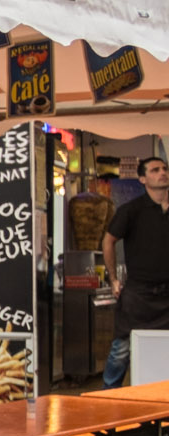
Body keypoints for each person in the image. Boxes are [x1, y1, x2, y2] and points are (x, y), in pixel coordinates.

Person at [101, 156, 169, 389]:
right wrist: (113, 279)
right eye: (155, 170)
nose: (163, 173)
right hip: (139, 293)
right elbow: (108, 241)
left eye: (164, 169)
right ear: (142, 179)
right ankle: (107, 403)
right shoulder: (131, 210)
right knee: (121, 350)